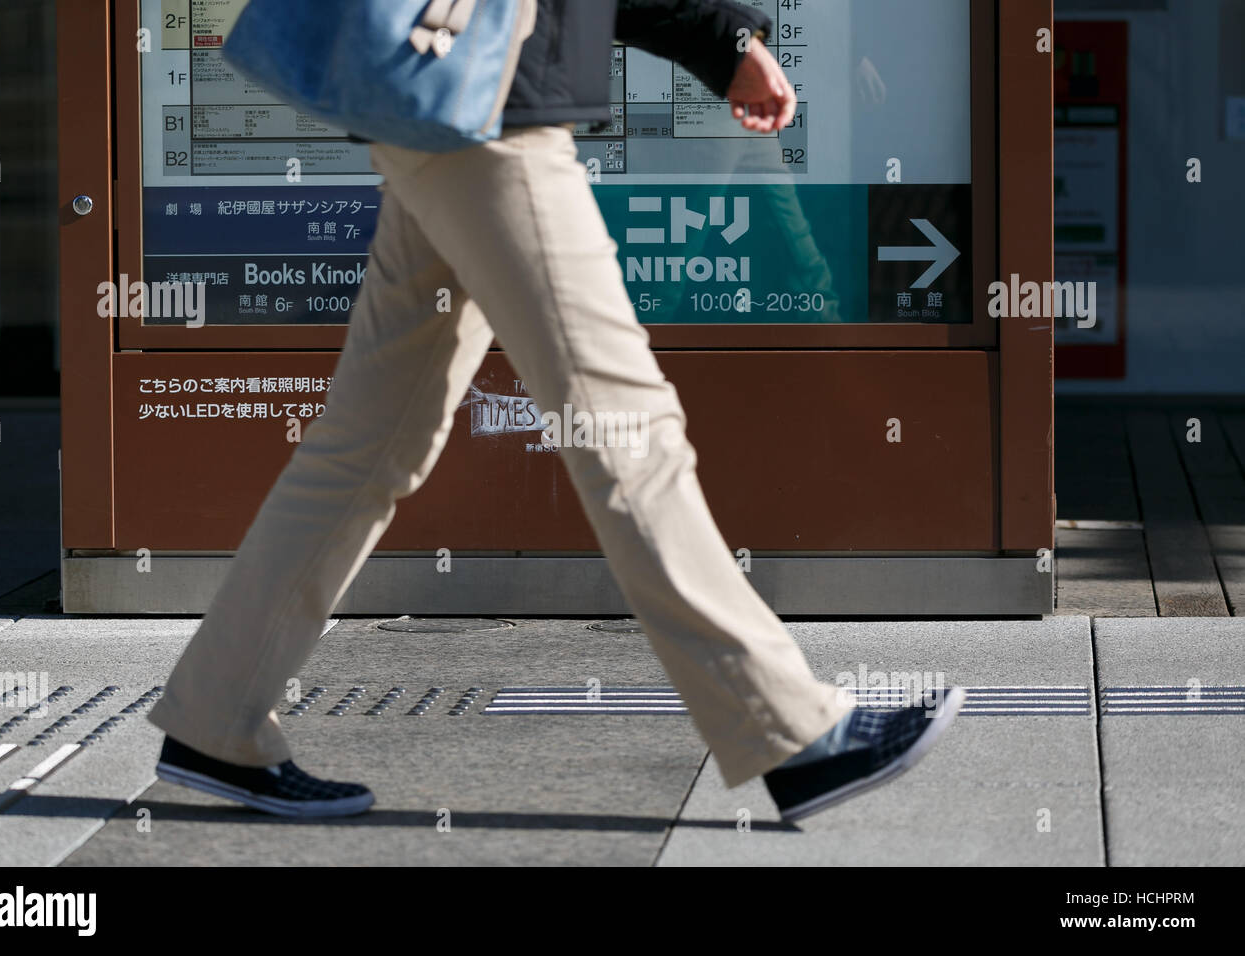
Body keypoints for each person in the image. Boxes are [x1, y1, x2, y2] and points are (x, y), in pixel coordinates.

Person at [148, 0, 964, 824]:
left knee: (368, 444)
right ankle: (794, 733)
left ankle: (217, 718)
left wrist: (720, 41)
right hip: (492, 109)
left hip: (451, 93)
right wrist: (721, 39)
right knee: (623, 427)